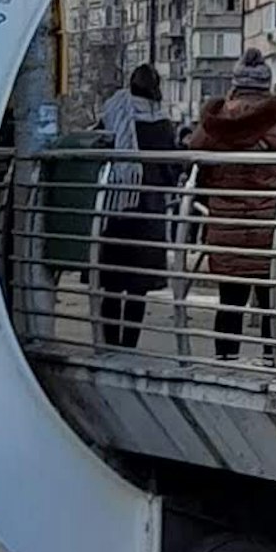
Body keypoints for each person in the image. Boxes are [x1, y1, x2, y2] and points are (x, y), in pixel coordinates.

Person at [189, 52, 276, 369]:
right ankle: (273, 361)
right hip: (272, 227)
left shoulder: (215, 121)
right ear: (267, 85)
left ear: (235, 84)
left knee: (230, 301)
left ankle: (227, 361)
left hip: (227, 227)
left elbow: (195, 160)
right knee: (272, 302)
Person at [95, 58, 175, 354]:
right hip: (149, 214)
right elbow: (170, 171)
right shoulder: (162, 124)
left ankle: (110, 345)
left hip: (116, 210)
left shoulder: (114, 116)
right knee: (138, 289)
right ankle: (128, 347)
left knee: (112, 284)